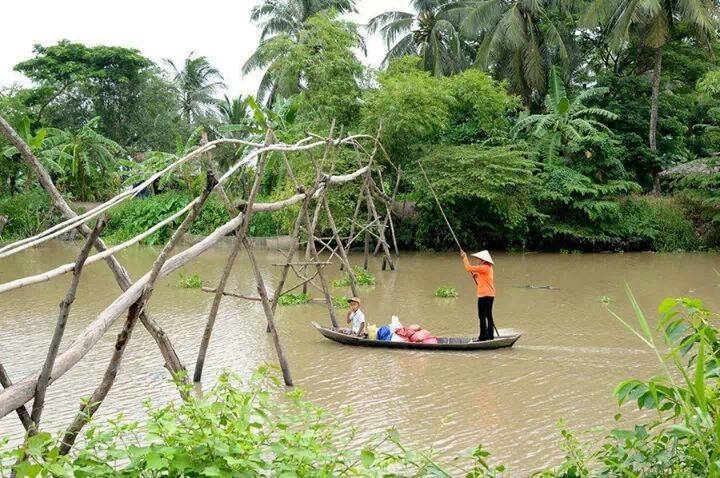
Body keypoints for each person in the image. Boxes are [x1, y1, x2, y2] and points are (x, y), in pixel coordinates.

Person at [461, 250, 496, 341]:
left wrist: (464, 257)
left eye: (480, 259)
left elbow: (468, 268)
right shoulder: (489, 268)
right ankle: (490, 335)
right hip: (490, 294)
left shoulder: (483, 267)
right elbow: (483, 277)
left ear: (484, 260)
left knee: (482, 316)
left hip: (484, 295)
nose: (478, 261)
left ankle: (483, 336)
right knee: (488, 315)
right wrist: (476, 275)